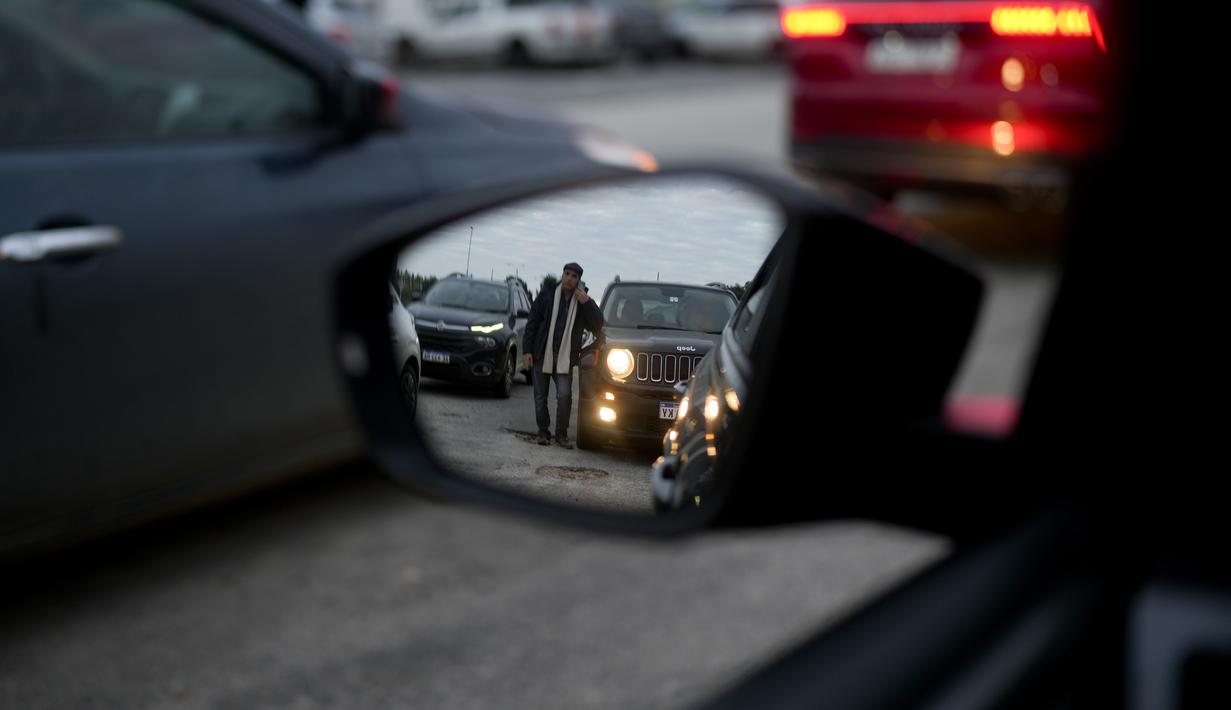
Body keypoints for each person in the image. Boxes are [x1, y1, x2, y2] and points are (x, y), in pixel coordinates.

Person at [522, 262, 604, 448]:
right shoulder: (547, 295)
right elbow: (532, 322)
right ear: (562, 275)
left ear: (578, 280)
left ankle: (561, 435)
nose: (569, 278)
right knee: (540, 397)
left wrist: (587, 302)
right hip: (542, 353)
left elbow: (598, 324)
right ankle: (543, 433)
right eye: (567, 274)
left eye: (574, 276)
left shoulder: (581, 301)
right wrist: (527, 350)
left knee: (564, 396)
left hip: (564, 358)